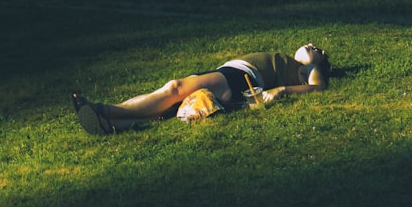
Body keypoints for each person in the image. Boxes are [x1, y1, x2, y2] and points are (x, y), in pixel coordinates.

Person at [72, 43, 331, 134]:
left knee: (174, 89)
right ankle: (110, 124)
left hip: (238, 77)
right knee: (167, 106)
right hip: (233, 77)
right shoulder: (294, 62)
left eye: (316, 49)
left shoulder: (307, 69)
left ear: (319, 60)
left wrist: (283, 90)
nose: (310, 46)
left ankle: (100, 109)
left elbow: (318, 88)